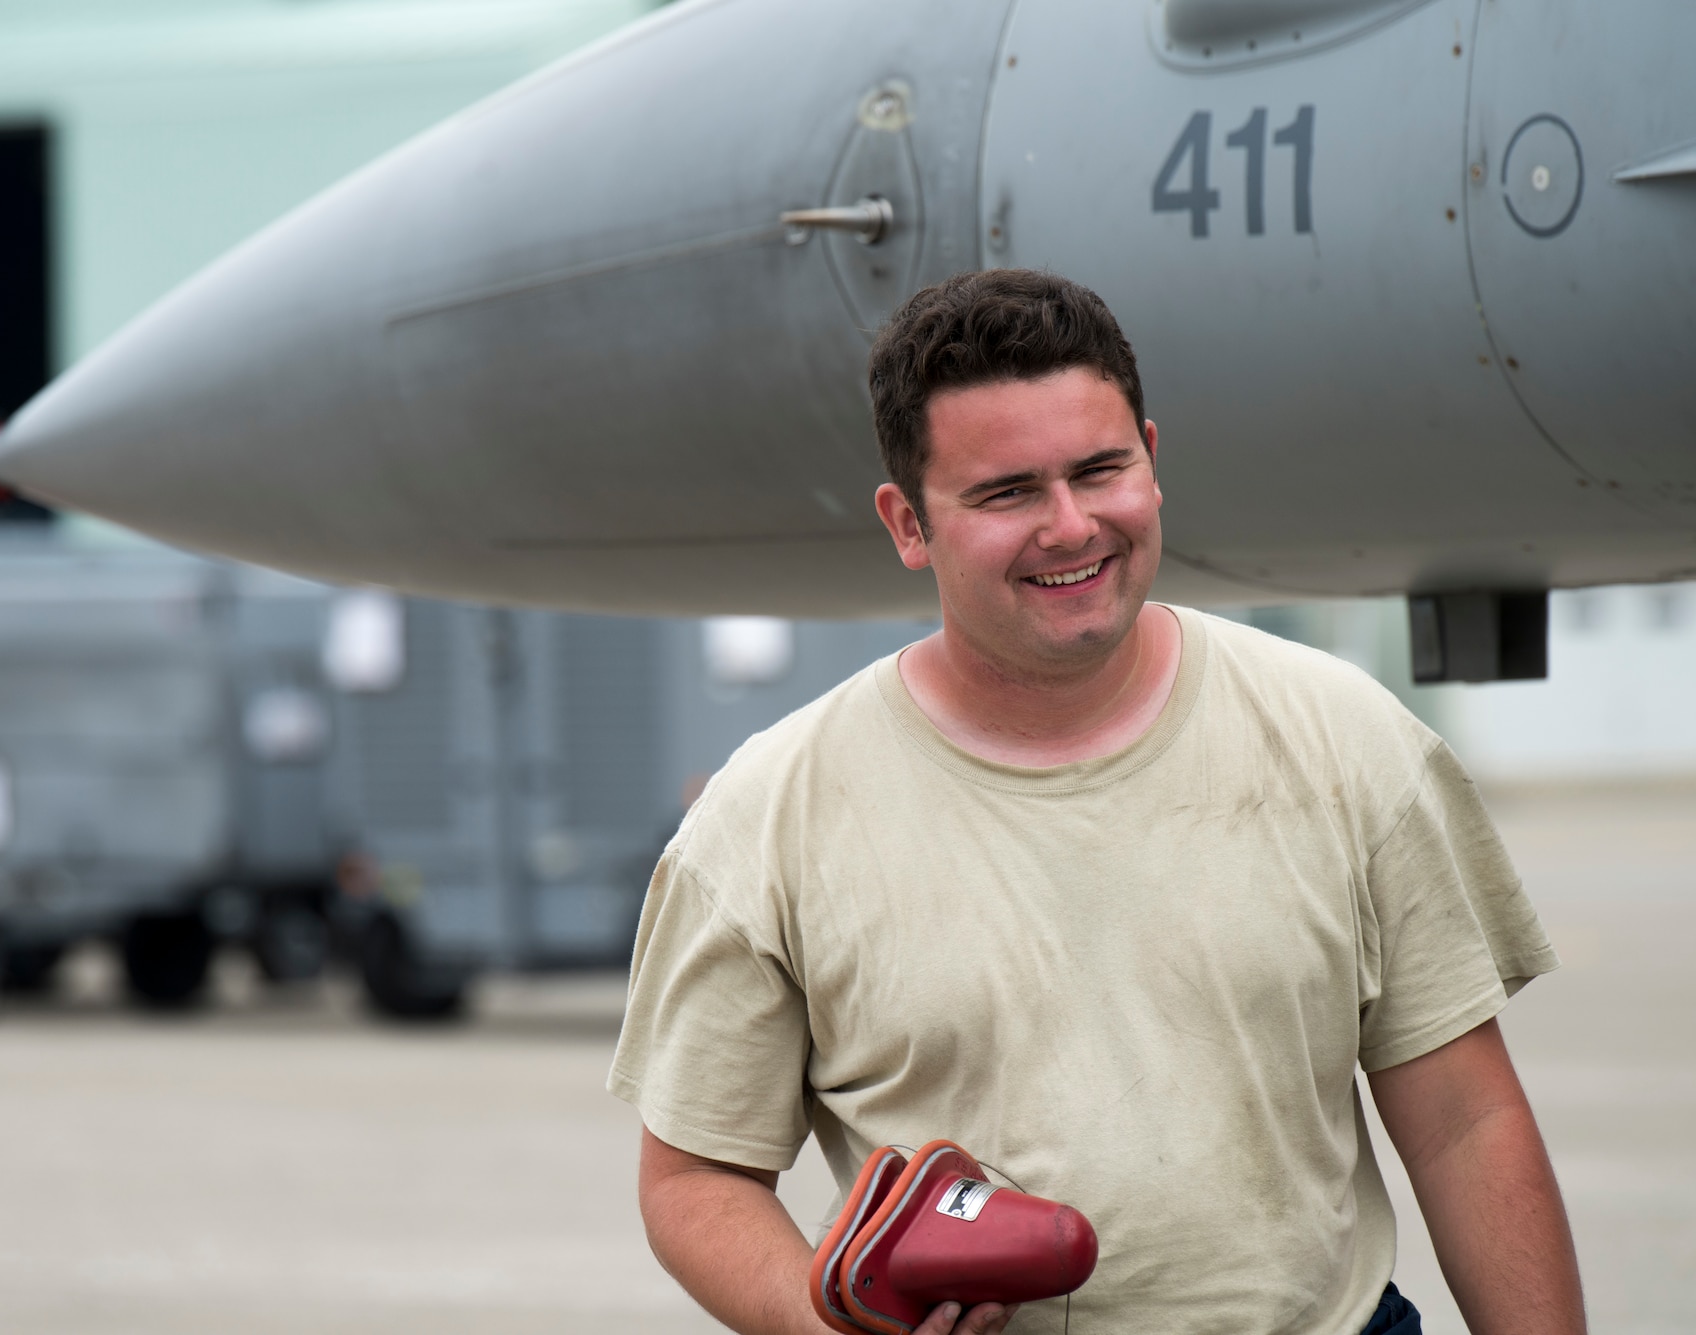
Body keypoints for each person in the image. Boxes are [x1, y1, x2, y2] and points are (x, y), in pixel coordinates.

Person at [608, 270, 1583, 1335]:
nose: (1070, 527)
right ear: (906, 522)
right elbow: (692, 1180)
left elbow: (1464, 1126)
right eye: (1006, 492)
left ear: (1151, 463)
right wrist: (824, 1324)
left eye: (1098, 470)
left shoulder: (1346, 739)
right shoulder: (767, 818)